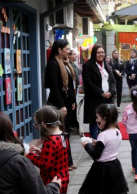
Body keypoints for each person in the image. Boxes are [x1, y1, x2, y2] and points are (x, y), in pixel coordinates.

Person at [78, 104, 129, 194]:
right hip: (114, 167)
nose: (96, 121)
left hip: (101, 170)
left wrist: (86, 145)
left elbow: (96, 154)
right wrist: (95, 142)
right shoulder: (117, 131)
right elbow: (106, 146)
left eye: (98, 118)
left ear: (105, 119)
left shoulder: (103, 135)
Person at [26, 105, 70, 194]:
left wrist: (29, 155)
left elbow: (45, 164)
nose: (37, 127)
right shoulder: (62, 135)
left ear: (44, 125)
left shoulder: (51, 141)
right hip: (62, 178)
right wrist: (40, 152)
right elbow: (54, 158)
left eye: (37, 124)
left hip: (52, 182)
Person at [45, 39, 77, 170]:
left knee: (66, 132)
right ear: (59, 50)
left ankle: (68, 161)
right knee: (61, 133)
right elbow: (54, 87)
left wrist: (73, 100)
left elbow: (70, 86)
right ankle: (64, 162)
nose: (68, 51)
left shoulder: (65, 64)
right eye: (67, 49)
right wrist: (62, 105)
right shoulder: (53, 64)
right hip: (59, 104)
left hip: (68, 103)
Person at [82, 44, 116, 139]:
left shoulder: (107, 65)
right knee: (95, 122)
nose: (101, 54)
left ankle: (105, 143)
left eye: (102, 52)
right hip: (95, 99)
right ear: (94, 53)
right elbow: (88, 82)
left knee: (107, 121)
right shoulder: (88, 65)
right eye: (98, 52)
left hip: (107, 99)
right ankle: (95, 144)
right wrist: (101, 92)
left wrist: (111, 92)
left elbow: (113, 81)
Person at [68, 48, 80, 132]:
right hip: (72, 89)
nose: (76, 56)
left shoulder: (74, 64)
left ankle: (74, 123)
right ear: (69, 56)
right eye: (74, 54)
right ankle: (72, 124)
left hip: (76, 88)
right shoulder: (69, 65)